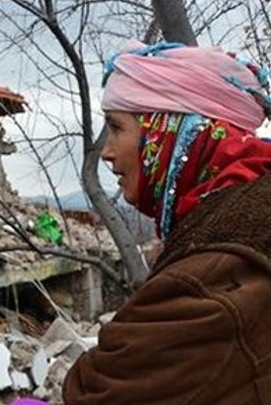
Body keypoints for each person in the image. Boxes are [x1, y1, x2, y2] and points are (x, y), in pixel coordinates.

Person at [62, 40, 271, 404]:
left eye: (116, 127)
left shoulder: (214, 268)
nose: (107, 152)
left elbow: (101, 390)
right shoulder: (244, 205)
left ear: (168, 128)